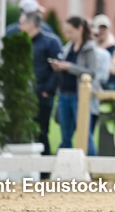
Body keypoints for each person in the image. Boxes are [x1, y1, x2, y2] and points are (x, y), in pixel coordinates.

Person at [51, 17, 105, 154]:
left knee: (85, 135)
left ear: (80, 29)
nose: (67, 35)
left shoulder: (89, 48)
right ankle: (64, 169)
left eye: (70, 32)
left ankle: (92, 169)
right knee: (65, 136)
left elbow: (92, 72)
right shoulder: (67, 48)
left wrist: (69, 67)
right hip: (64, 94)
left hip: (80, 96)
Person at [19, 11, 63, 156]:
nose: (19, 26)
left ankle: (44, 169)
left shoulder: (51, 42)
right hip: (24, 95)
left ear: (31, 24)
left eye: (22, 23)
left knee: (42, 130)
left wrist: (48, 91)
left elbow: (56, 69)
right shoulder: (22, 41)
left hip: (42, 94)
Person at [92, 14, 115, 91]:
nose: (101, 30)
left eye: (104, 27)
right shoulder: (90, 47)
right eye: (99, 27)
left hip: (109, 87)